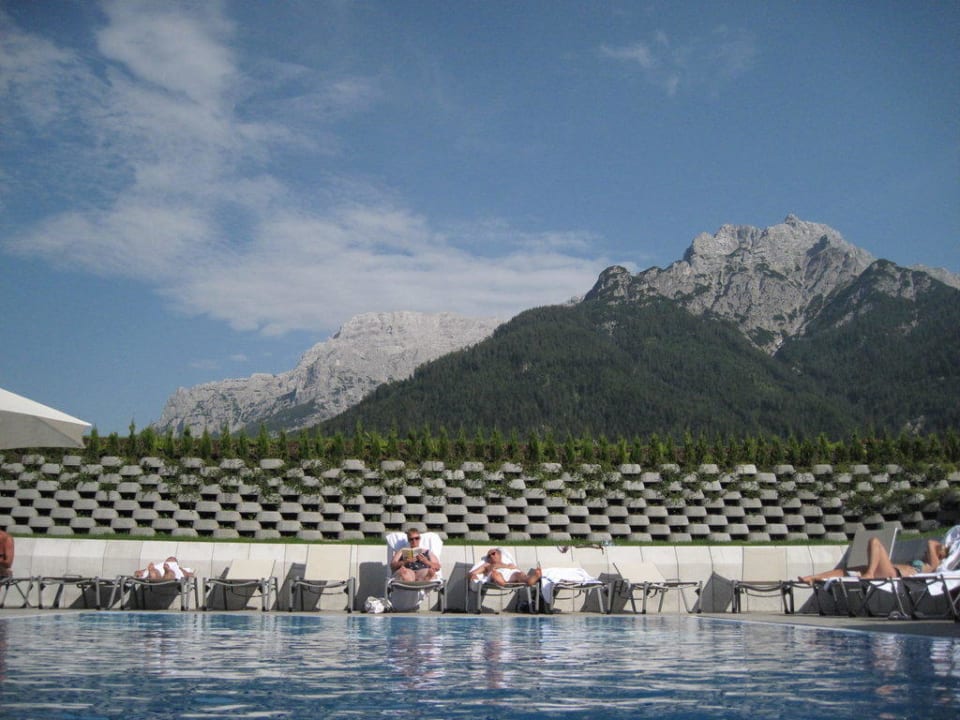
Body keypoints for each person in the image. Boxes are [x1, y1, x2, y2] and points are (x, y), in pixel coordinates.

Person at [798, 525, 960, 584]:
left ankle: (869, 573)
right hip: (889, 570)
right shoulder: (926, 563)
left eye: (928, 553)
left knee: (874, 542)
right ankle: (813, 578)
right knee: (845, 571)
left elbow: (931, 542)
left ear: (939, 556)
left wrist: (943, 548)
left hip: (894, 575)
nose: (925, 552)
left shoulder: (933, 565)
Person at [468, 548, 541, 586]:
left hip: (511, 575)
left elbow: (518, 570)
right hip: (497, 573)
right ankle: (501, 581)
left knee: (519, 574)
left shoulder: (509, 563)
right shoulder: (487, 565)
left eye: (493, 553)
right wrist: (473, 576)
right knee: (495, 574)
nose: (491, 556)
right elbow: (471, 573)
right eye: (489, 556)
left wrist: (519, 571)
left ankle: (530, 579)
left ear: (499, 554)